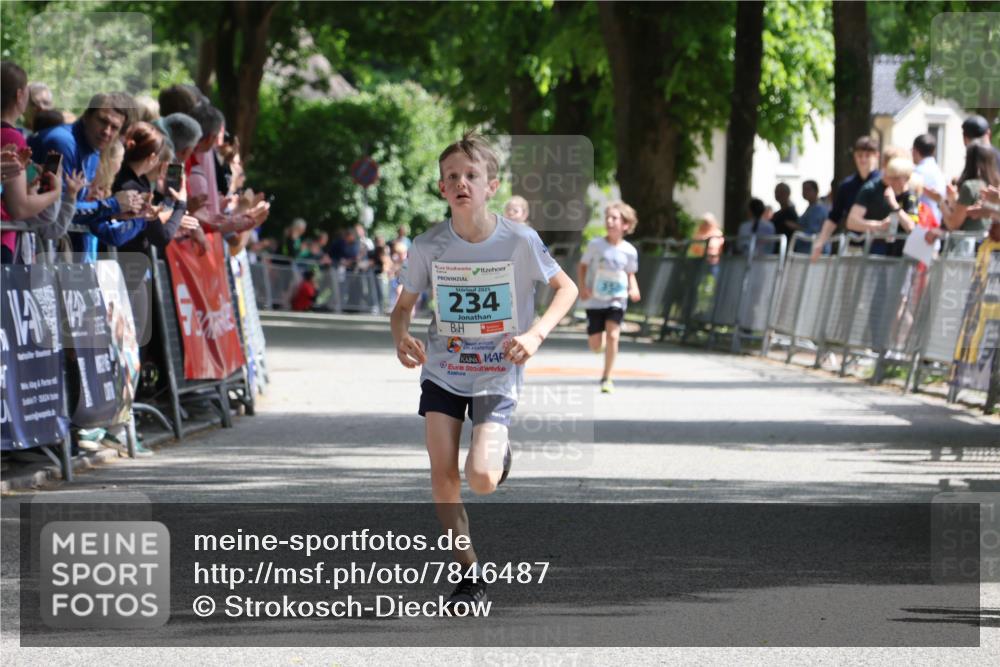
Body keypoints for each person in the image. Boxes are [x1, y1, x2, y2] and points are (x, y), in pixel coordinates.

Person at [390, 132, 577, 611]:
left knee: (481, 479)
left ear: (491, 185)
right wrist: (401, 336)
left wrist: (534, 335)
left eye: (471, 175)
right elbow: (403, 307)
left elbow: (567, 290)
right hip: (444, 370)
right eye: (451, 176)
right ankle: (468, 574)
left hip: (497, 370)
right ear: (440, 188)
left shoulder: (519, 240)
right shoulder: (429, 245)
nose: (461, 183)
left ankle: (498, 448)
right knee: (442, 472)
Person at [577, 201, 640, 394]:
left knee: (614, 334)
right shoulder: (596, 245)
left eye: (615, 218)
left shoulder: (629, 250)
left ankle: (607, 377)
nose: (610, 221)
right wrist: (583, 287)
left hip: (617, 298)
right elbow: (582, 266)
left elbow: (630, 273)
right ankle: (601, 344)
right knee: (595, 345)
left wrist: (634, 288)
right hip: (595, 299)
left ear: (625, 225)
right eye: (608, 218)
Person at [811, 136, 881, 260]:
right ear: (854, 156)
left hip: (879, 248)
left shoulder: (884, 183)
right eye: (859, 155)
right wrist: (821, 242)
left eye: (867, 155)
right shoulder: (847, 185)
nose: (863, 159)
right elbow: (834, 217)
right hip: (854, 248)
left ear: (876, 156)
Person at [846, 157, 917, 256]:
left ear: (906, 178)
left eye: (896, 178)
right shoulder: (893, 195)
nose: (892, 182)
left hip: (905, 256)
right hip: (890, 253)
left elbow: (911, 227)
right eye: (890, 177)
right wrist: (883, 224)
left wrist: (894, 204)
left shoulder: (910, 197)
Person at [939, 143, 1000, 235]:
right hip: (988, 242)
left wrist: (940, 201)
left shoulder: (970, 186)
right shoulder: (996, 184)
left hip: (969, 244)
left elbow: (953, 224)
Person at [911, 133, 945, 225]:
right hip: (937, 221)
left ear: (914, 151)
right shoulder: (940, 172)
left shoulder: (915, 172)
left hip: (920, 222)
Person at [797, 180, 830, 254]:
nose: (805, 192)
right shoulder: (811, 207)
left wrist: (796, 227)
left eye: (808, 189)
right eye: (803, 189)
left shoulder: (818, 209)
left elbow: (813, 232)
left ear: (816, 191)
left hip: (815, 251)